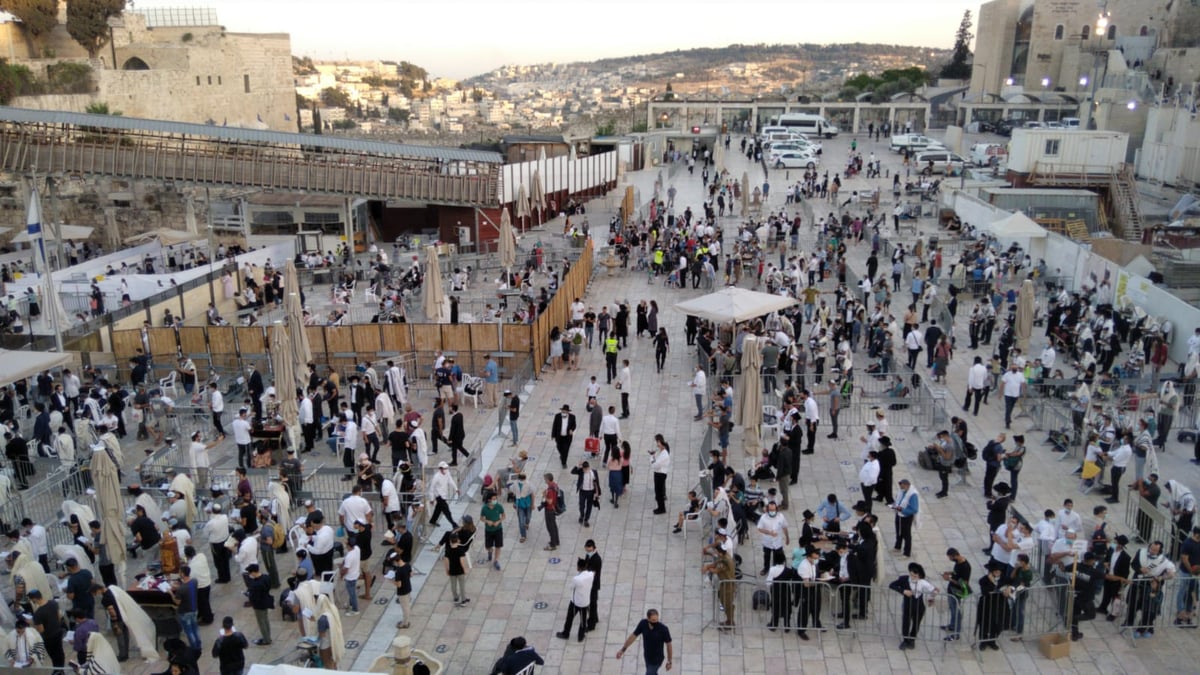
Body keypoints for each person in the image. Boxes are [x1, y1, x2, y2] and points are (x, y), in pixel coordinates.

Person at [891, 562, 938, 650]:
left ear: (919, 575)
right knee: (906, 623)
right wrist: (903, 591)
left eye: (915, 576)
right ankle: (905, 640)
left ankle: (912, 640)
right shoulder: (904, 579)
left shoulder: (923, 582)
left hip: (919, 606)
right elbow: (892, 585)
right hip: (907, 605)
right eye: (911, 575)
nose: (913, 578)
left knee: (916, 623)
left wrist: (931, 599)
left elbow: (935, 590)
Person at [615, 608, 673, 674]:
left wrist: (669, 661)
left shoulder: (663, 629)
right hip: (647, 656)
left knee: (650, 672)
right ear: (648, 619)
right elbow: (633, 637)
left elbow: (669, 645)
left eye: (657, 619)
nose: (656, 622)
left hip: (657, 659)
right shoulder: (643, 624)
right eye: (653, 620)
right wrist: (623, 650)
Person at [701, 533, 737, 629]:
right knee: (723, 600)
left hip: (728, 585)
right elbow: (715, 563)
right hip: (724, 584)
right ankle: (729, 620)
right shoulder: (723, 557)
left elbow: (716, 570)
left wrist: (707, 569)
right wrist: (708, 566)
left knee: (727, 603)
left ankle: (730, 622)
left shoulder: (725, 560)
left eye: (716, 551)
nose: (715, 552)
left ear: (720, 552)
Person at [556, 558, 595, 642]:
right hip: (585, 602)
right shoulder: (591, 574)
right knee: (583, 621)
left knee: (569, 618)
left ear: (578, 567)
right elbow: (592, 572)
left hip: (576, 602)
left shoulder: (577, 579)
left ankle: (566, 633)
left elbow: (571, 587)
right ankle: (580, 636)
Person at [170, 565, 202, 658]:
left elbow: (177, 602)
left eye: (180, 572)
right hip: (194, 609)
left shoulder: (181, 589)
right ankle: (199, 644)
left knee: (189, 631)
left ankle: (194, 648)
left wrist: (171, 593)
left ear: (183, 574)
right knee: (195, 628)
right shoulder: (194, 581)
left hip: (185, 612)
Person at [244, 563, 273, 646]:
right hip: (266, 600)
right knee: (265, 620)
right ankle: (267, 636)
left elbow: (253, 597)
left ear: (253, 572)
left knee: (261, 622)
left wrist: (249, 595)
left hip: (259, 605)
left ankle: (266, 639)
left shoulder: (255, 584)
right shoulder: (266, 577)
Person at [427, 461, 459, 529]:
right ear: (440, 469)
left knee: (438, 509)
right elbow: (431, 488)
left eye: (446, 468)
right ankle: (454, 524)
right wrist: (432, 499)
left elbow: (451, 481)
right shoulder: (436, 477)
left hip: (444, 495)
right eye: (444, 468)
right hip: (439, 496)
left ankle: (432, 521)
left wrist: (456, 489)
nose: (446, 469)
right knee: (447, 511)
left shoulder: (447, 473)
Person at [892, 479, 919, 557]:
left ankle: (907, 553)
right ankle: (897, 546)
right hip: (898, 514)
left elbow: (914, 509)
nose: (901, 487)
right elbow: (898, 500)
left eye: (902, 485)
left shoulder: (912, 495)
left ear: (907, 485)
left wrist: (902, 510)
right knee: (898, 531)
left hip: (906, 517)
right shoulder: (902, 491)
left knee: (906, 535)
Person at [571, 459, 600, 528]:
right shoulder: (581, 471)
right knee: (581, 505)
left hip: (591, 491)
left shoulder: (594, 472)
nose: (585, 470)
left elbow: (596, 483)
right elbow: (572, 472)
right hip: (582, 491)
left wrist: (597, 493)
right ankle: (582, 515)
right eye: (584, 469)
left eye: (586, 469)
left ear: (589, 467)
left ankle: (586, 519)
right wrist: (578, 465)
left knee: (589, 506)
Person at [481, 491, 505, 571]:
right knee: (488, 546)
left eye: (496, 499)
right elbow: (481, 518)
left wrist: (498, 521)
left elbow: (504, 516)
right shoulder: (484, 508)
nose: (495, 500)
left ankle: (496, 560)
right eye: (493, 499)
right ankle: (490, 551)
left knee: (498, 546)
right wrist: (487, 521)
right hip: (488, 530)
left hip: (498, 529)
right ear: (489, 500)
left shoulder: (499, 506)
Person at [584, 540, 603, 633]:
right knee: (592, 603)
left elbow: (593, 573)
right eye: (587, 549)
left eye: (589, 549)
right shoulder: (588, 555)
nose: (588, 551)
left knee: (592, 603)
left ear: (594, 548)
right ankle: (595, 618)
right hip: (589, 583)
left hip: (593, 585)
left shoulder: (597, 559)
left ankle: (591, 625)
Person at [340, 533, 362, 616]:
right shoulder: (357, 548)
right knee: (351, 592)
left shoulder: (350, 556)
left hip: (350, 577)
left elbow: (346, 569)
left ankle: (355, 609)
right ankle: (350, 604)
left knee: (352, 593)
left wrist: (341, 575)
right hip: (355, 573)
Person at [551, 404, 577, 469]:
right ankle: (562, 455)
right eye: (563, 411)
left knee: (566, 450)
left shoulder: (572, 417)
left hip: (567, 437)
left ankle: (564, 463)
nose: (564, 413)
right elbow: (554, 426)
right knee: (559, 447)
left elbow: (574, 425)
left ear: (568, 412)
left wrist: (572, 430)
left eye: (565, 411)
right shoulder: (557, 416)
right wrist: (553, 435)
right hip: (559, 437)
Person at [541, 473, 562, 551]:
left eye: (545, 479)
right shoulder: (555, 485)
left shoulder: (550, 490)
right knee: (554, 526)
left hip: (549, 509)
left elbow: (549, 501)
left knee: (550, 527)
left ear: (547, 480)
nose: (544, 481)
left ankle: (553, 545)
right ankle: (556, 541)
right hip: (554, 508)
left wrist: (544, 495)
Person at [651, 435, 671, 514]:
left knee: (659, 492)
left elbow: (654, 465)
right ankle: (660, 507)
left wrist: (651, 457)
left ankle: (661, 508)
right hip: (659, 473)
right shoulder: (662, 451)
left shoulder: (664, 454)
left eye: (657, 442)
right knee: (658, 491)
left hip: (660, 474)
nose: (657, 444)